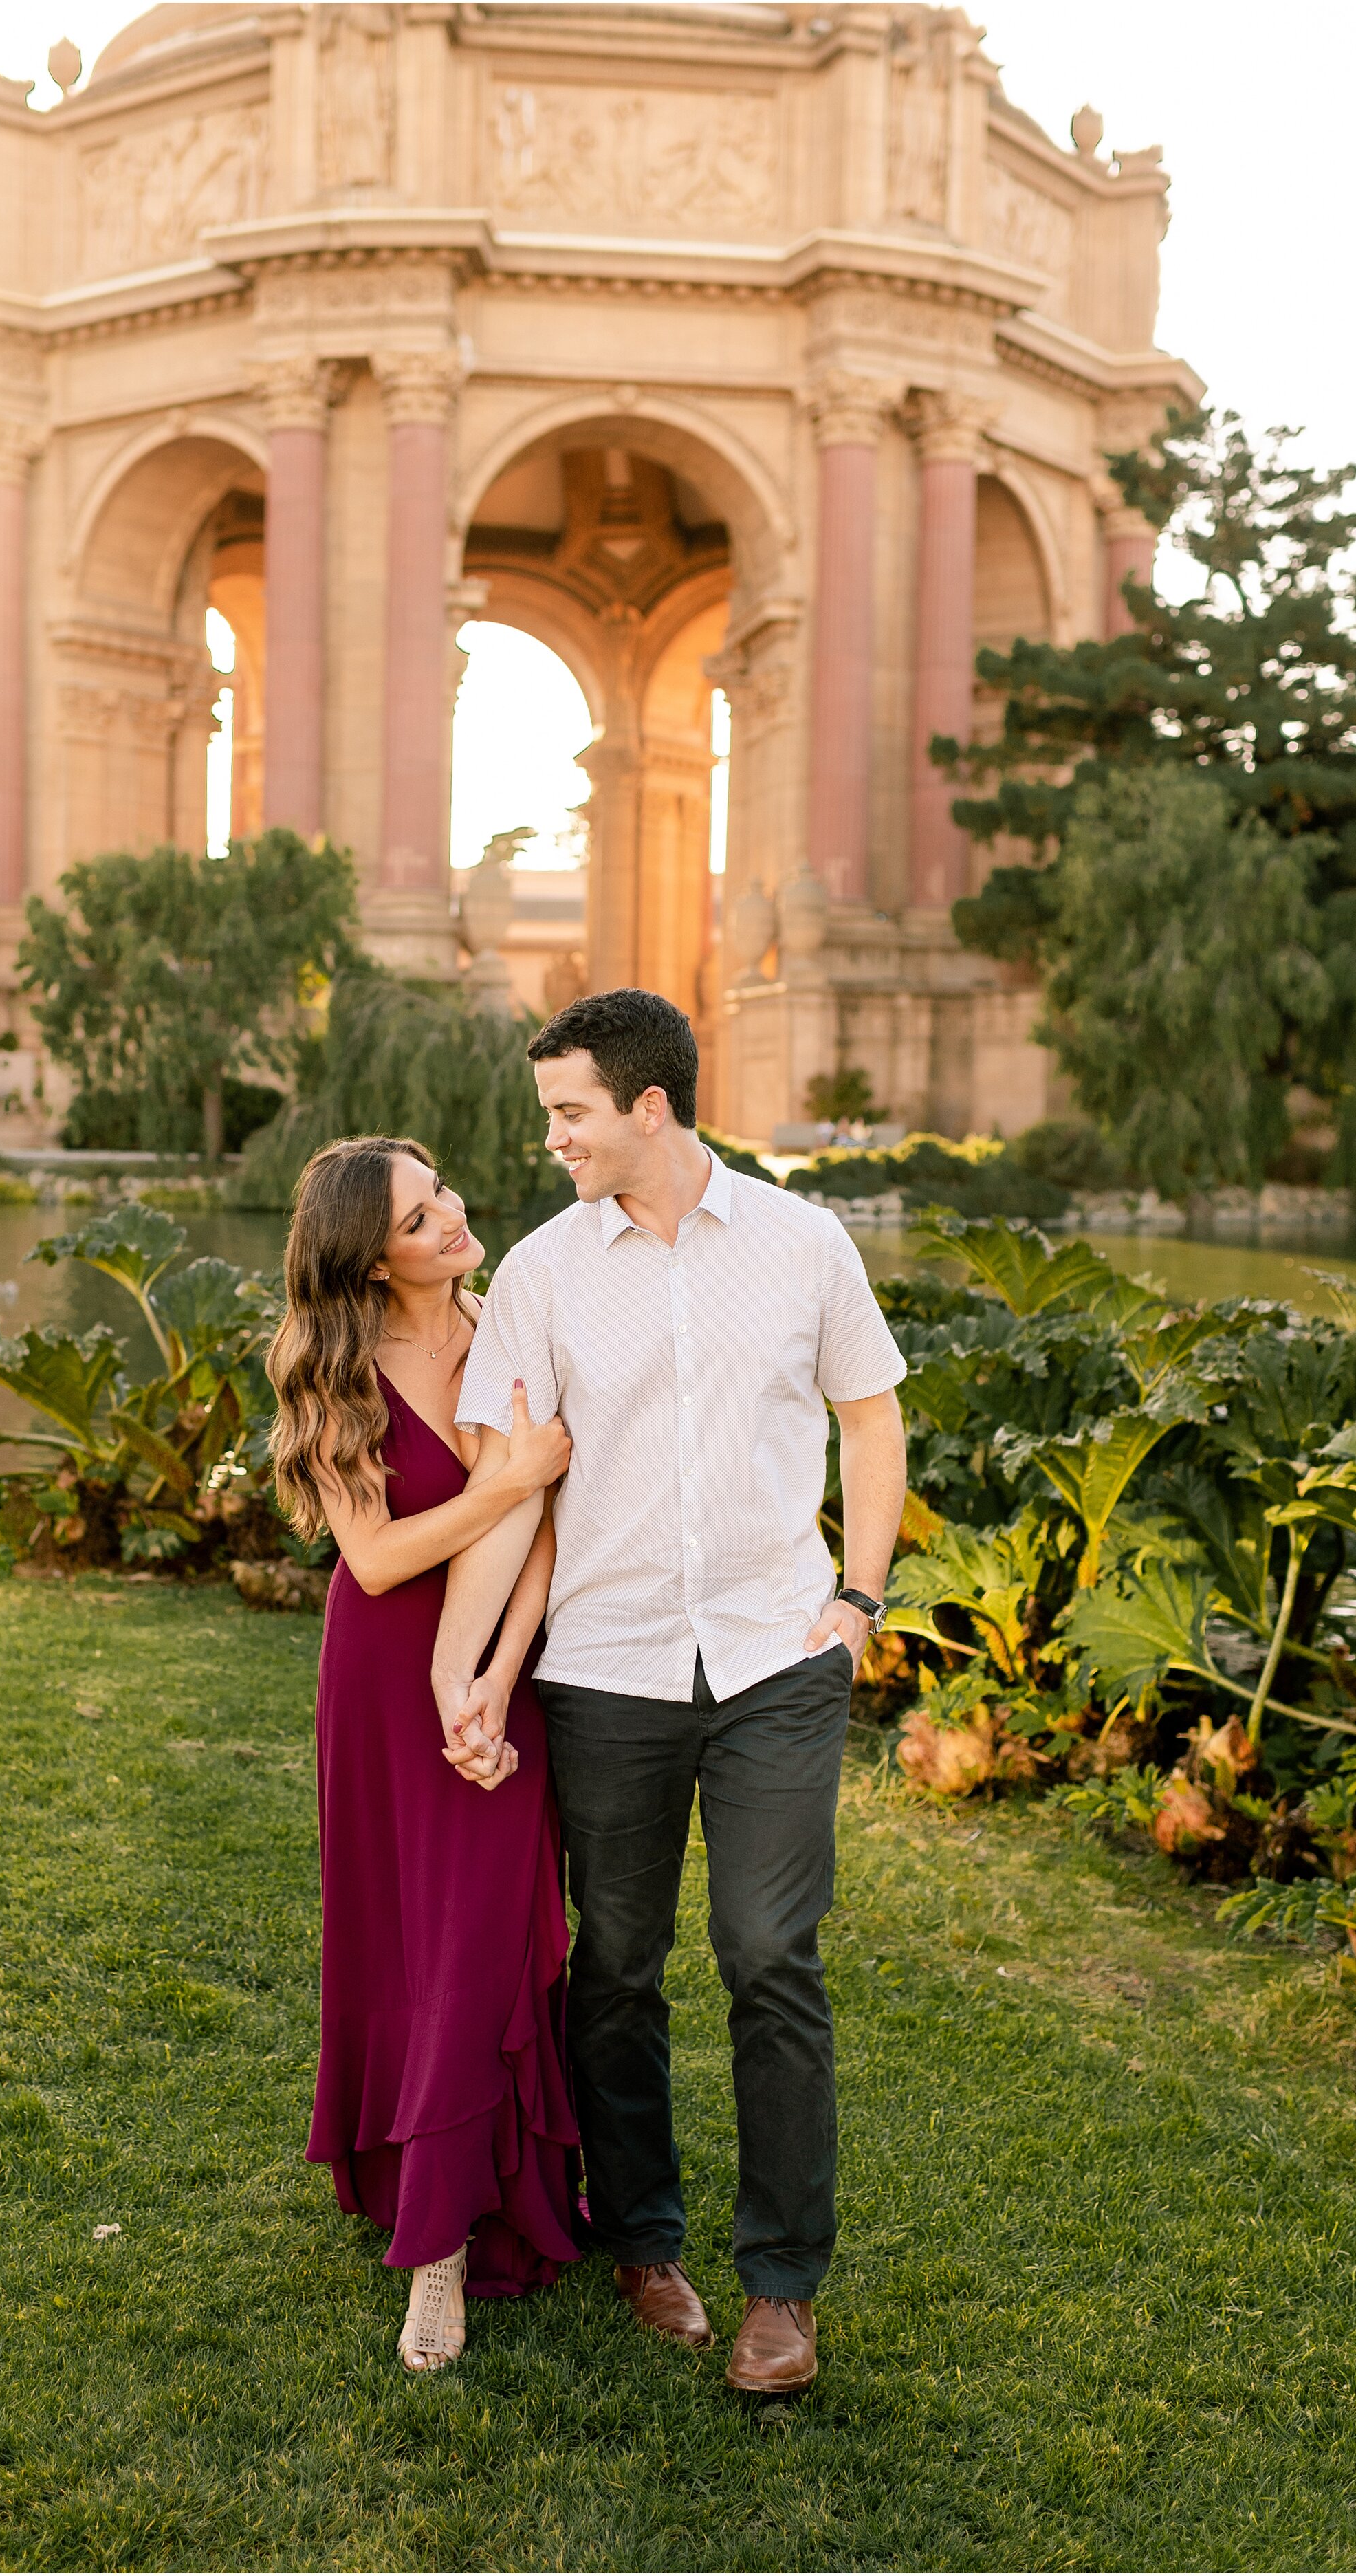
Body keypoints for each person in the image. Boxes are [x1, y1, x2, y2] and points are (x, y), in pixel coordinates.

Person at [432, 990, 908, 2398]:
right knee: (615, 1967)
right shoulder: (536, 1273)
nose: (553, 1138)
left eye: (570, 1113)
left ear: (649, 1107)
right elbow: (505, 1489)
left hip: (773, 1655)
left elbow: (868, 1413)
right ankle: (642, 2239)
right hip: (605, 1666)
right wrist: (475, 1673)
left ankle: (781, 2289)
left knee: (770, 1953)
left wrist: (859, 1598)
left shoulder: (800, 1243)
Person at [267, 1135, 582, 2374]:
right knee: (409, 1941)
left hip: (503, 1680)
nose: (452, 1216)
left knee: (487, 1934)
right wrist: (514, 1485)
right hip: (385, 1686)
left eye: (441, 1190)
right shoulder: (327, 1367)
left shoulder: (515, 1323)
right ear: (370, 1254)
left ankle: (481, 2197)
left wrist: (501, 1685)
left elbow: (551, 1530)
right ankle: (433, 2256)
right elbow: (381, 1557)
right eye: (418, 1214)